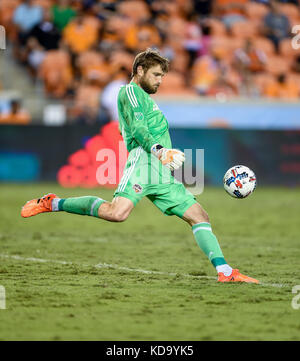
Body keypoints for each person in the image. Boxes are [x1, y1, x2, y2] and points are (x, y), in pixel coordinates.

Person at [21, 48, 259, 284]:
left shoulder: (146, 99)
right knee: (117, 213)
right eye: (156, 75)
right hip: (144, 161)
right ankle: (53, 203)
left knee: (199, 216)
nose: (160, 80)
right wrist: (160, 150)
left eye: (162, 76)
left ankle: (225, 271)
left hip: (161, 171)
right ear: (140, 70)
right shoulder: (131, 92)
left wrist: (163, 155)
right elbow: (138, 129)